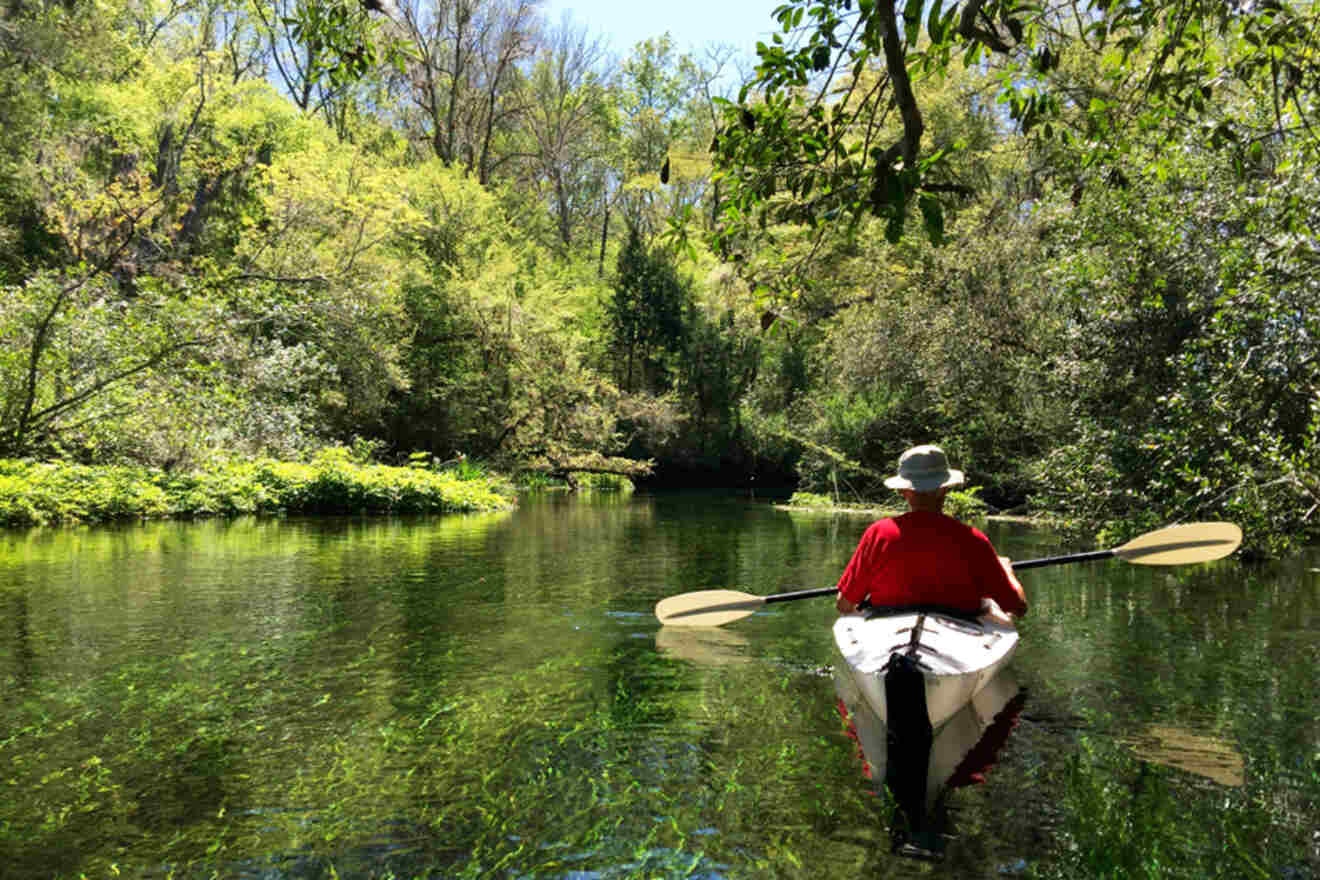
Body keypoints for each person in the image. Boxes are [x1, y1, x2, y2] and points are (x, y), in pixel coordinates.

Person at [834, 444, 1028, 619]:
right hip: (961, 630)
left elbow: (844, 605)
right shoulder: (974, 540)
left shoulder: (878, 534)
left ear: (902, 491)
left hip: (888, 625)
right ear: (945, 489)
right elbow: (1018, 608)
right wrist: (1006, 571)